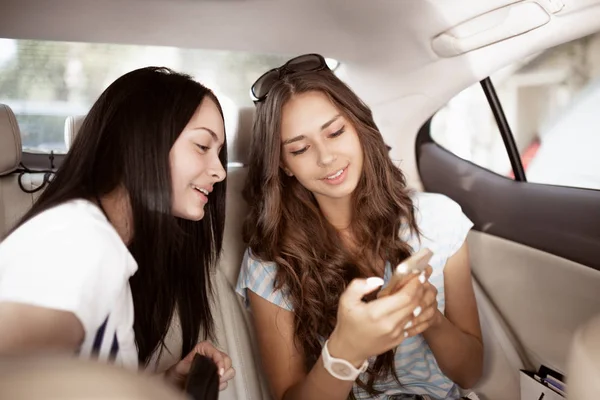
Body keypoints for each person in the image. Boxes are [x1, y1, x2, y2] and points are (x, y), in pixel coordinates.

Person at [236, 54, 483, 400]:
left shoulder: (438, 219)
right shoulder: (271, 262)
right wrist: (345, 351)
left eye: (335, 132)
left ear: (358, 127)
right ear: (284, 165)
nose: (326, 157)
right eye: (301, 148)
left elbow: (470, 373)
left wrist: (430, 319)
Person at [0, 67, 235, 391]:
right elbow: (14, 375)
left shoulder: (105, 246)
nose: (220, 171)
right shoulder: (77, 238)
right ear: (144, 140)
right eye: (202, 146)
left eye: (219, 153)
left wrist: (165, 385)